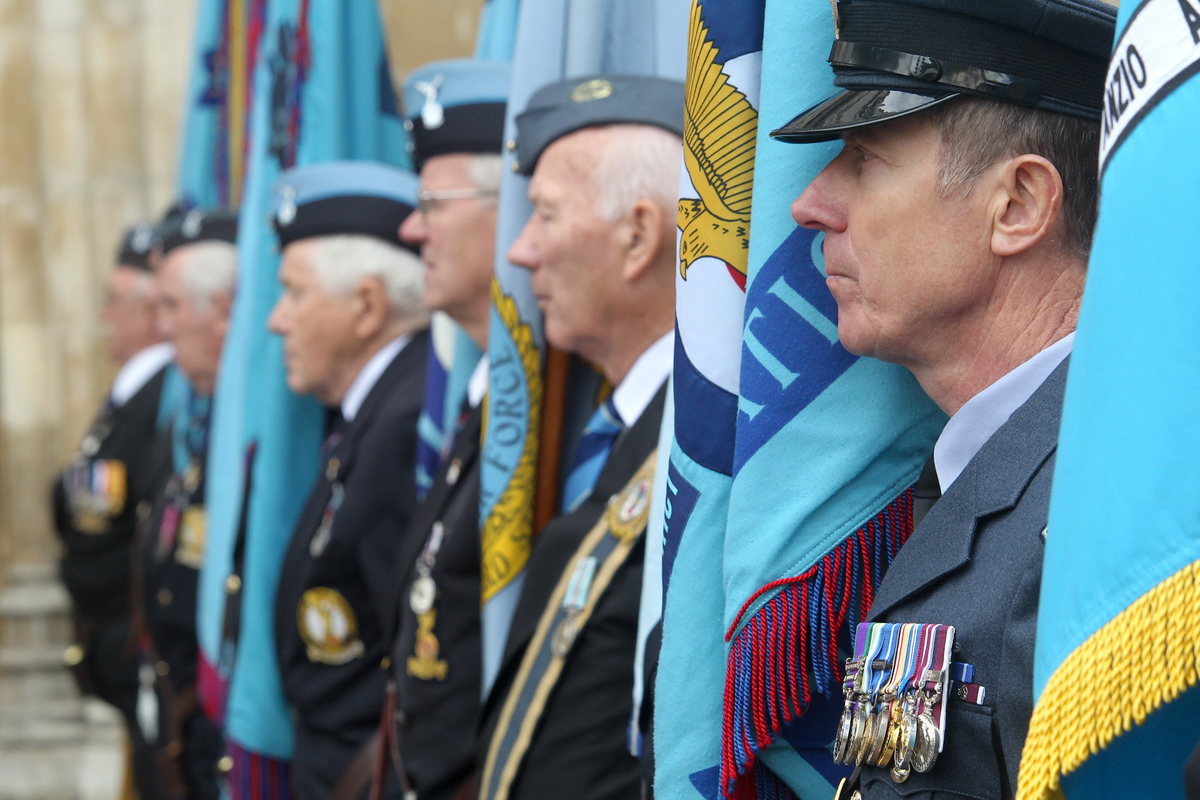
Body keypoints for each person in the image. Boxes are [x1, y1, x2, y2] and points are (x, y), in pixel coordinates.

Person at [773, 0, 1116, 797]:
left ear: (1020, 204)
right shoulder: (1005, 466)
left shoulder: (1095, 519)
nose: (810, 203)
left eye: (864, 158)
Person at [477, 74, 684, 800]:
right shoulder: (620, 427)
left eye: (543, 216)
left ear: (638, 237)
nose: (521, 252)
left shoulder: (702, 455)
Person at [364, 58, 508, 800]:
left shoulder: (554, 425)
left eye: (432, 201)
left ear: (509, 206)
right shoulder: (478, 404)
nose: (410, 227)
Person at [264, 161, 431, 800]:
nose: (277, 320)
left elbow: (419, 653)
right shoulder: (370, 415)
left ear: (367, 305)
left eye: (294, 293)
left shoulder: (404, 420)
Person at [53, 222, 175, 800]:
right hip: (117, 645)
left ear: (151, 310)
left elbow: (88, 505)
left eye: (114, 301)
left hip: (137, 640)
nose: (104, 315)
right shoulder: (130, 392)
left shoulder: (161, 395)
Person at [141, 207, 239, 800]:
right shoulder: (199, 422)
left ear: (224, 311)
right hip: (190, 721)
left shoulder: (260, 433)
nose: (161, 328)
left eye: (171, 306)